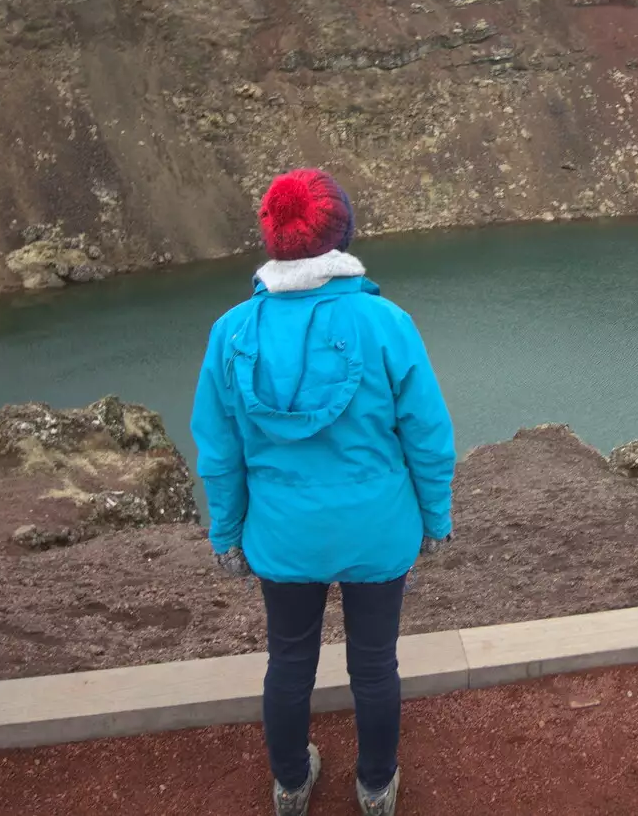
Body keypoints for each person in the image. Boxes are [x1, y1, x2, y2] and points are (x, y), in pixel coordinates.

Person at [191, 168, 456, 816]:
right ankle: (374, 785)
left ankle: (290, 782)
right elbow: (427, 433)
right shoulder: (385, 321)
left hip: (283, 536)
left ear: (273, 236)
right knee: (373, 665)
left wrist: (226, 532)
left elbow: (219, 450)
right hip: (377, 530)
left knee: (288, 661)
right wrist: (435, 515)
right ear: (340, 232)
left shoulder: (232, 332)